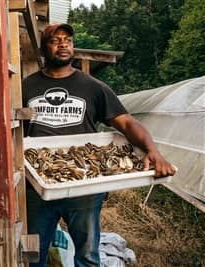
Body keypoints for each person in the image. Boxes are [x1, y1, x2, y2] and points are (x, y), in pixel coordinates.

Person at [22, 23, 176, 267]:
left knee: (87, 256)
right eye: (55, 40)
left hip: (83, 186)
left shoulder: (93, 87)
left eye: (68, 40)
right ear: (43, 49)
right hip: (38, 184)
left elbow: (126, 124)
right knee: (32, 255)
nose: (63, 44)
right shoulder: (26, 86)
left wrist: (152, 151)